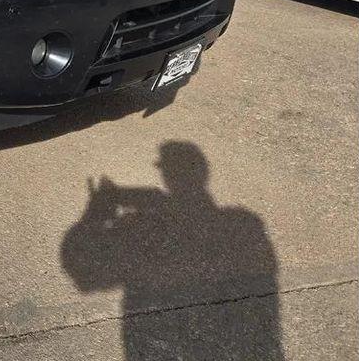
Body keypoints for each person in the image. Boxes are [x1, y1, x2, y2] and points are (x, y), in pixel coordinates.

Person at [60, 141, 283, 360]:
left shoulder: (239, 221)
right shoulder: (244, 221)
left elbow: (85, 277)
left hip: (160, 336)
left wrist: (94, 214)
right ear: (203, 172)